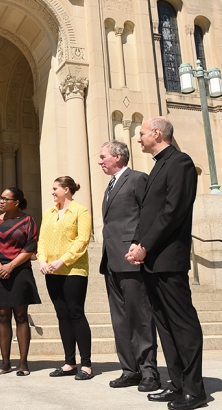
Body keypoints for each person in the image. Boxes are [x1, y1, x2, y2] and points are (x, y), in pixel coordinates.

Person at [126, 117, 206, 410]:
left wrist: (145, 246)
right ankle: (176, 383)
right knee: (164, 324)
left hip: (169, 259)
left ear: (157, 133)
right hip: (151, 259)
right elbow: (148, 213)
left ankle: (195, 390)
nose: (139, 139)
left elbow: (173, 212)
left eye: (142, 133)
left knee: (182, 324)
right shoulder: (158, 165)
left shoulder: (180, 163)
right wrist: (137, 244)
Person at [98, 141, 160, 392]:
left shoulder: (137, 179)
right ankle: (129, 369)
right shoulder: (109, 186)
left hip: (131, 258)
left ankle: (149, 372)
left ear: (118, 156)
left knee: (140, 318)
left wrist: (138, 242)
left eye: (103, 157)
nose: (100, 161)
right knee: (120, 319)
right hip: (111, 260)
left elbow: (148, 213)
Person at [37, 176, 93, 380]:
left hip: (73, 270)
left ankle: (86, 364)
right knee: (62, 314)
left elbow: (82, 240)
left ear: (66, 190)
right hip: (51, 270)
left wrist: (63, 261)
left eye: (55, 189)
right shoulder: (49, 213)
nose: (52, 192)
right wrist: (42, 261)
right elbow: (42, 239)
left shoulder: (81, 211)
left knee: (76, 313)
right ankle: (69, 362)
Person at [0, 187, 41, 376]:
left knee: (21, 316)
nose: (1, 201)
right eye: (0, 197)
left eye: (6, 199)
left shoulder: (27, 220)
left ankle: (23, 363)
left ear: (16, 202)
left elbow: (30, 245)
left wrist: (11, 266)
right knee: (3, 315)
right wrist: (0, 267)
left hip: (20, 272)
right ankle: (5, 363)